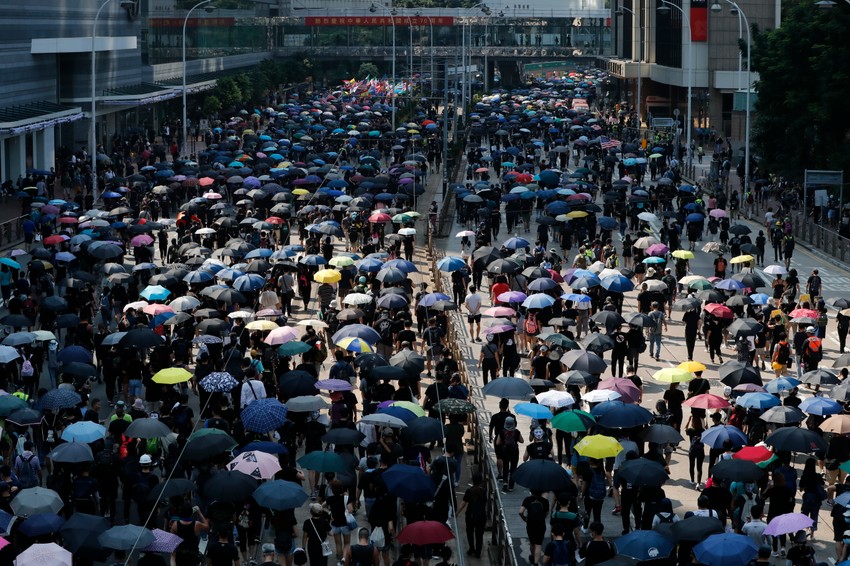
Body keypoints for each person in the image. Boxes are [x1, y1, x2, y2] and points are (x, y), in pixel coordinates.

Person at [456, 472, 487, 558]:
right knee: (479, 534)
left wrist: (457, 513)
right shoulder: (484, 491)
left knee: (470, 532)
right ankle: (478, 552)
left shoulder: (469, 491)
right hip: (481, 515)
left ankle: (471, 548)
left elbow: (463, 503)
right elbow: (485, 502)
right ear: (481, 481)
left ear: (473, 481)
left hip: (470, 515)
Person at [520, 490, 550, 566]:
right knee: (538, 544)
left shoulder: (528, 499)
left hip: (530, 523)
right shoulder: (545, 501)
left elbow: (520, 512)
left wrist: (525, 518)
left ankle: (532, 557)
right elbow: (547, 512)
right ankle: (536, 563)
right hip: (541, 524)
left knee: (532, 542)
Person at [497, 416, 523, 491]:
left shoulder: (502, 431)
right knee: (513, 468)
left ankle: (505, 482)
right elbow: (522, 441)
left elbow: (497, 443)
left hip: (505, 451)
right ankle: (511, 485)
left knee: (505, 466)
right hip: (514, 452)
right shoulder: (517, 431)